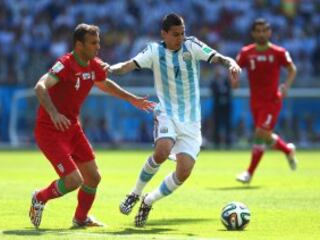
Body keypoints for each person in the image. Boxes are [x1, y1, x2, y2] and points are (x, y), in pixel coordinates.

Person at [107, 13, 241, 227]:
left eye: (182, 33)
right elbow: (128, 65)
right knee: (161, 151)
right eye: (175, 35)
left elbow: (218, 57)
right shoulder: (153, 51)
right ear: (164, 34)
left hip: (191, 120)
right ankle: (134, 193)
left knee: (184, 171)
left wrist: (231, 63)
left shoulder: (192, 46)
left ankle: (148, 201)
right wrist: (111, 69)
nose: (180, 38)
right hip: (166, 112)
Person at [29, 23, 155, 228]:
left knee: (93, 178)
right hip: (50, 131)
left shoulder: (92, 64)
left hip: (72, 129)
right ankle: (39, 198)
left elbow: (104, 83)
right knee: (72, 181)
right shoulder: (64, 64)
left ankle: (80, 218)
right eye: (93, 43)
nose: (98, 47)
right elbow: (40, 87)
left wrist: (132, 99)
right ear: (79, 45)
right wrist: (53, 114)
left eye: (99, 42)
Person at [235, 18, 298, 184]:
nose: (262, 33)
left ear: (269, 32)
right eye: (258, 31)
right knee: (266, 136)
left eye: (265, 30)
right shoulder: (246, 52)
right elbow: (235, 67)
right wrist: (234, 79)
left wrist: (286, 86)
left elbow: (292, 69)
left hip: (272, 101)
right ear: (253, 33)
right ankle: (287, 149)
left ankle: (248, 173)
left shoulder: (278, 52)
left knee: (260, 134)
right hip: (255, 102)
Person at [210, 67, 233, 148]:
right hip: (217, 106)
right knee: (217, 124)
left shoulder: (227, 81)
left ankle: (228, 142)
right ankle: (216, 142)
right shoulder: (213, 81)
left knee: (227, 124)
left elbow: (230, 90)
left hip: (226, 106)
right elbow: (213, 91)